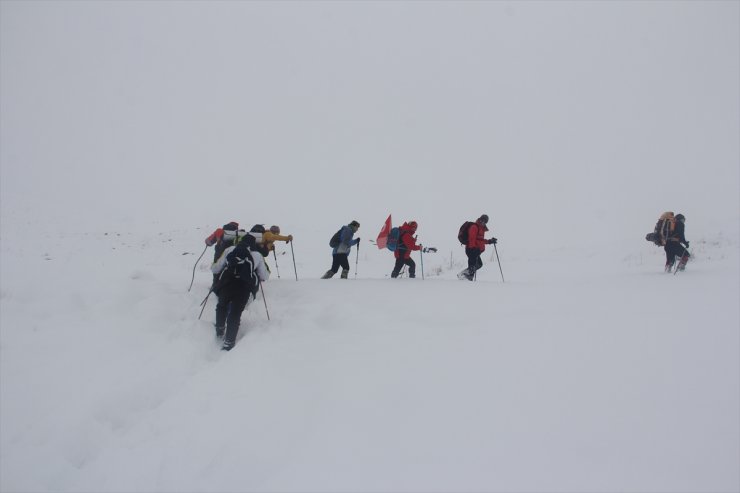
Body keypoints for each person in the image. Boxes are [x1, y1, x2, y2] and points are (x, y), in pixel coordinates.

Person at [211, 234, 270, 351]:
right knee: (235, 313)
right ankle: (229, 342)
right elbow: (265, 276)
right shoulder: (257, 255)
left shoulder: (230, 250)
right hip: (244, 286)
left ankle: (219, 329)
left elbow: (216, 268)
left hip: (227, 283)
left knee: (222, 305)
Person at [459, 214, 497, 281]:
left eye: (485, 221)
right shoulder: (474, 226)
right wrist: (472, 248)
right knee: (472, 266)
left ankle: (463, 275)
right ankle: (467, 278)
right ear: (480, 219)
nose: (483, 222)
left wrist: (490, 241)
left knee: (479, 264)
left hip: (476, 250)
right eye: (482, 220)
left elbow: (480, 241)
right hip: (471, 249)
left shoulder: (481, 229)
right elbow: (471, 238)